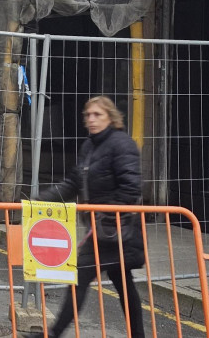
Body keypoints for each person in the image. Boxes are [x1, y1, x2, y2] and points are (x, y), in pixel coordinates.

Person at [30, 96, 146, 338]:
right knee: (124, 284)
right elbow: (72, 183)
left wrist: (105, 212)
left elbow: (131, 188)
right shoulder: (89, 146)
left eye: (97, 115)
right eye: (88, 115)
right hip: (102, 230)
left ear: (111, 118)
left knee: (81, 276)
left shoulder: (122, 144)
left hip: (117, 230)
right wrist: (39, 202)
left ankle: (53, 334)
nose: (91, 120)